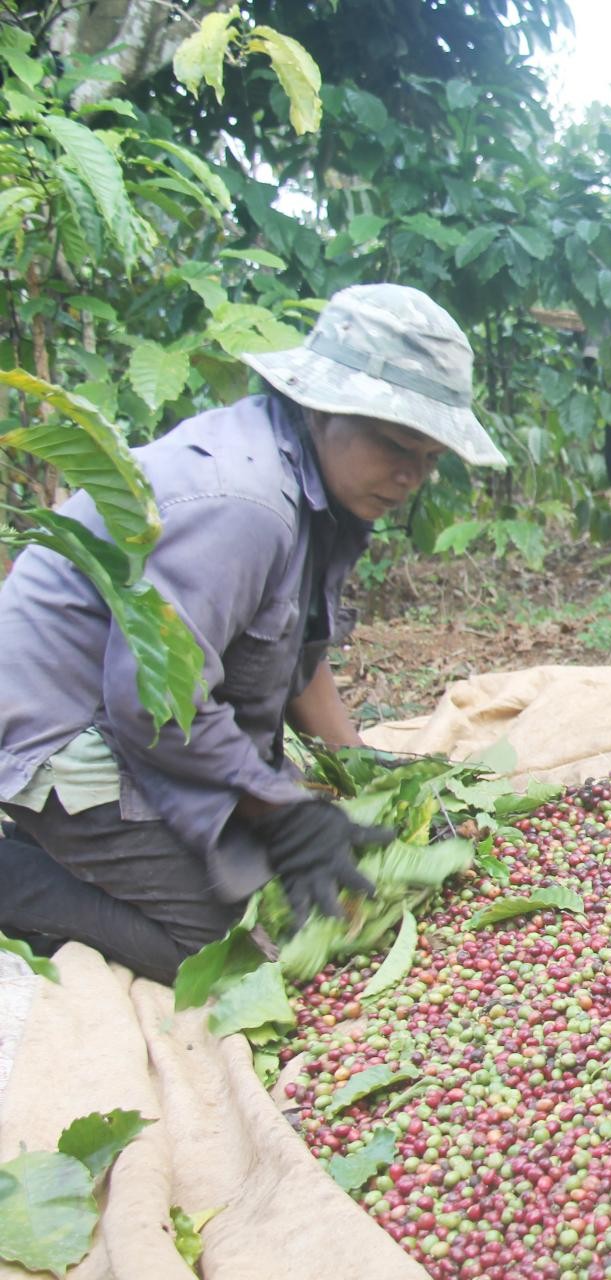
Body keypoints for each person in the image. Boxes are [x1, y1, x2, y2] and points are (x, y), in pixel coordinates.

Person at [0, 284, 506, 983]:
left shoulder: (314, 482)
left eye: (429, 458)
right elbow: (150, 702)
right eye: (396, 445)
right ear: (321, 407)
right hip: (60, 726)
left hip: (138, 710)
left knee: (282, 878)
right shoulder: (247, 504)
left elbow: (293, 645)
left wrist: (361, 770)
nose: (410, 476)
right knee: (232, 945)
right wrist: (282, 814)